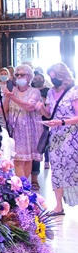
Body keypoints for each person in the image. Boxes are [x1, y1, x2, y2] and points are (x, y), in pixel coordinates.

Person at [42, 62, 78, 216]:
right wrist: (40, 108)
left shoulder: (73, 92)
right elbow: (49, 114)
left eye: (54, 76)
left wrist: (63, 122)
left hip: (71, 135)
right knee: (56, 169)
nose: (52, 79)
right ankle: (58, 206)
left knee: (72, 167)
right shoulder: (50, 92)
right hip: (56, 135)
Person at [4, 63, 44, 181]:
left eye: (23, 75)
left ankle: (25, 185)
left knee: (27, 159)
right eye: (17, 75)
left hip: (29, 129)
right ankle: (20, 187)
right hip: (15, 128)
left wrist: (13, 98)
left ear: (30, 77)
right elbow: (4, 109)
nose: (20, 77)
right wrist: (7, 97)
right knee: (17, 159)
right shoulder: (12, 91)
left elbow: (29, 106)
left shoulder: (34, 91)